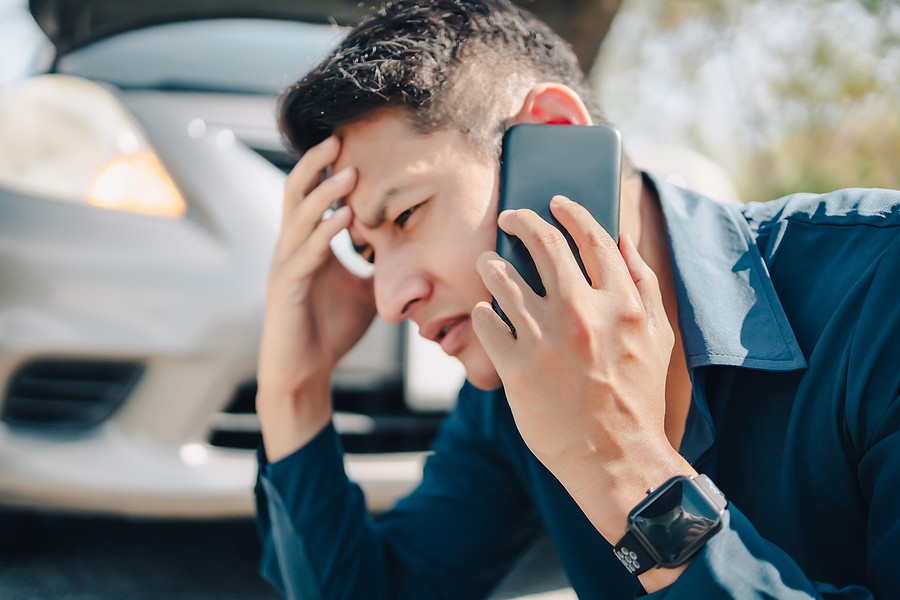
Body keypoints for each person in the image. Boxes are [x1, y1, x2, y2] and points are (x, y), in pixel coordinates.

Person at [253, 1, 900, 598]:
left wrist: (619, 464)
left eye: (405, 216)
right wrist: (294, 392)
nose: (390, 300)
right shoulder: (509, 399)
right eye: (366, 254)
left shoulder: (881, 291)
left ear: (552, 134)